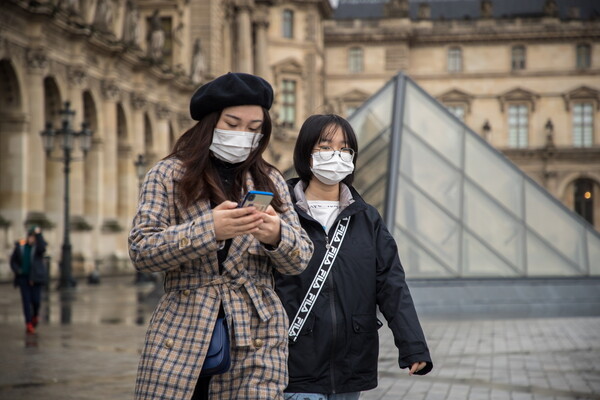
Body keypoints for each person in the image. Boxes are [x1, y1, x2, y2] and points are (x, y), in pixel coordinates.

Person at [128, 72, 314, 400]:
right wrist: (209, 229)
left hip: (256, 333)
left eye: (254, 129)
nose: (243, 135)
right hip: (183, 329)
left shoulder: (269, 178)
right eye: (232, 123)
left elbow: (300, 257)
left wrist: (276, 235)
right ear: (210, 123)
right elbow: (142, 249)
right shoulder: (168, 174)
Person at [275, 114, 433, 399]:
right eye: (325, 146)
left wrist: (413, 346)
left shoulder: (366, 217)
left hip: (351, 365)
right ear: (306, 152)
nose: (336, 155)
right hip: (295, 363)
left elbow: (391, 283)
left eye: (345, 148)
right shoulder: (279, 214)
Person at [10, 226, 48, 335]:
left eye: (34, 237)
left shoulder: (38, 248)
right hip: (23, 278)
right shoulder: (21, 246)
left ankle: (35, 315)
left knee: (36, 301)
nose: (32, 238)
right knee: (26, 302)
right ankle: (28, 323)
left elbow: (43, 248)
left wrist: (39, 234)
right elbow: (13, 261)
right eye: (31, 236)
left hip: (36, 278)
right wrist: (17, 270)